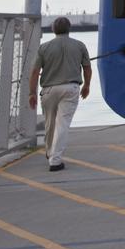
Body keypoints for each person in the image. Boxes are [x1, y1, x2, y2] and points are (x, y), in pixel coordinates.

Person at [28, 17, 91, 171]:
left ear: (53, 29)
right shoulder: (79, 45)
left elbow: (35, 72)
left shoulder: (44, 48)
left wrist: (32, 93)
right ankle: (55, 160)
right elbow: (87, 68)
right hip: (71, 88)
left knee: (50, 123)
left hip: (49, 90)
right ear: (69, 29)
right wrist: (87, 85)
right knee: (62, 124)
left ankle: (50, 152)